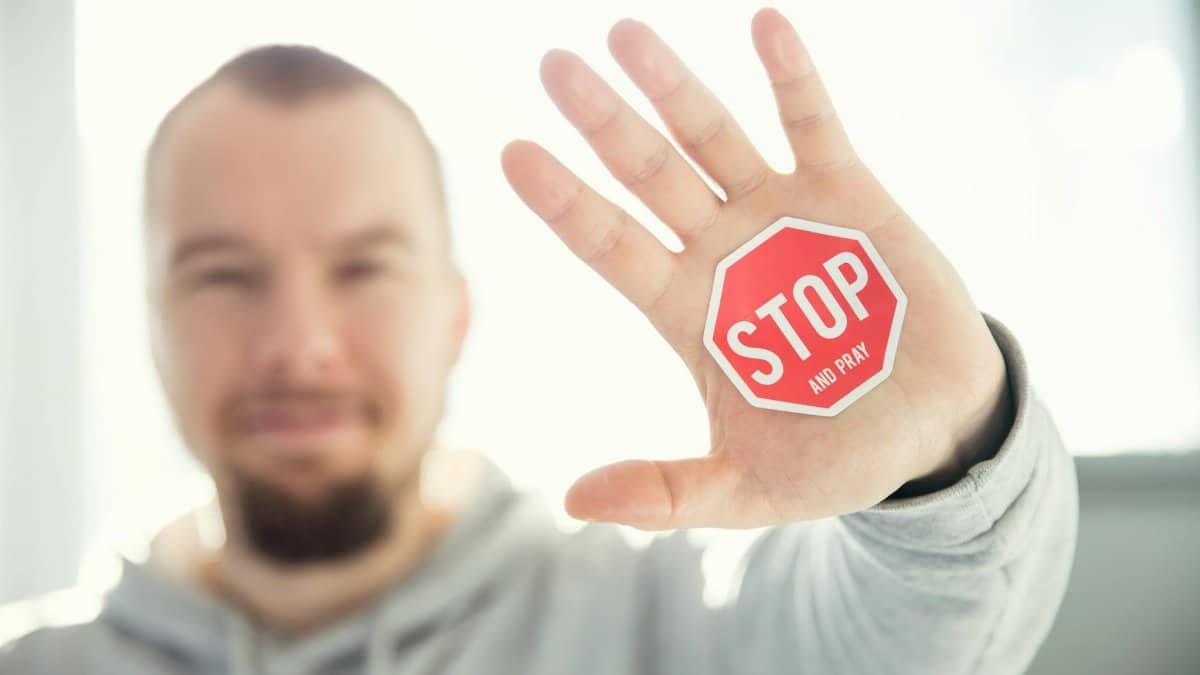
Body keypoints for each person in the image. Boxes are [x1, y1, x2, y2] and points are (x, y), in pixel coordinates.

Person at [0, 8, 1077, 674]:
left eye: (364, 269)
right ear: (151, 325)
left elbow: (920, 646)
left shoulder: (662, 629)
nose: (300, 342)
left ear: (456, 316)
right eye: (224, 276)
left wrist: (942, 463)